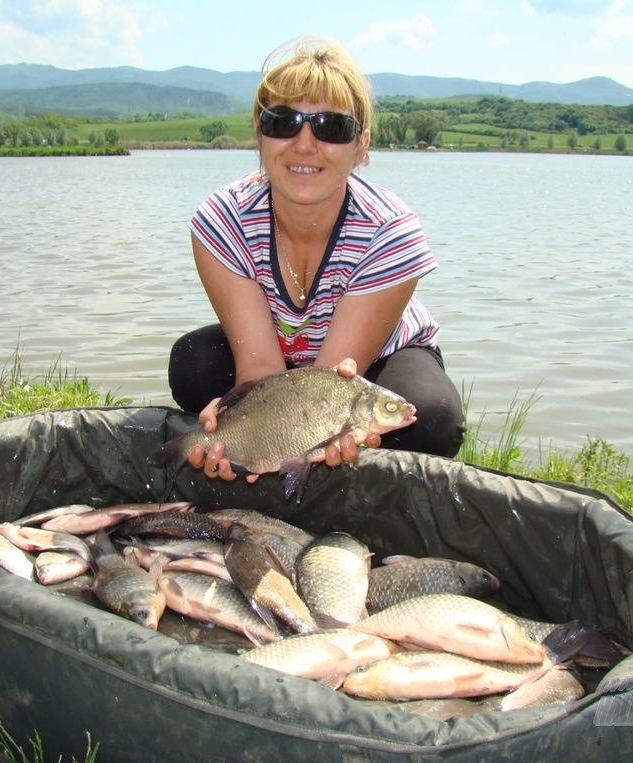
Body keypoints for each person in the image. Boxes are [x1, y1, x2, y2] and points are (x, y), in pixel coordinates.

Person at [168, 36, 464, 481]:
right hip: (276, 358)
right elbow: (260, 369)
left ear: (361, 145)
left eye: (332, 127)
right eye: (283, 122)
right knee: (194, 363)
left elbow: (331, 385)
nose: (304, 144)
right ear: (260, 134)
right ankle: (248, 449)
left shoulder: (390, 230)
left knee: (432, 418)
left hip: (368, 364)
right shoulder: (221, 219)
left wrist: (326, 433)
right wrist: (232, 419)